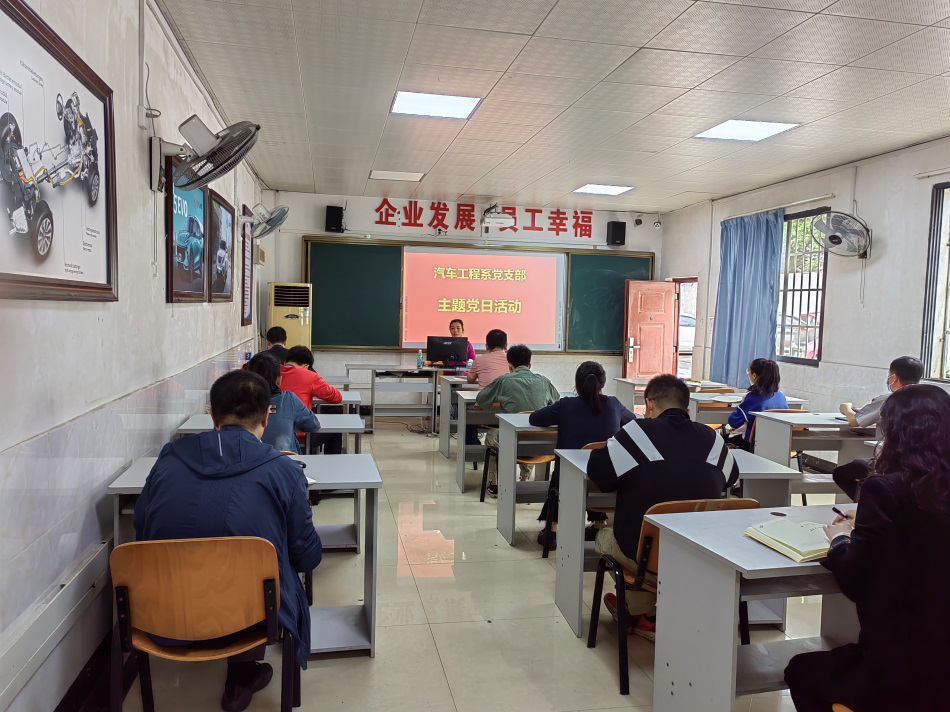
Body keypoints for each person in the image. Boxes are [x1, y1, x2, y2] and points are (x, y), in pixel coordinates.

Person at [133, 370, 322, 711]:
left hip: (162, 613)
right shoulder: (285, 471)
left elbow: (141, 527)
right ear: (267, 416)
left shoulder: (169, 458)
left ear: (212, 416)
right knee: (269, 572)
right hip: (252, 617)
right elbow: (307, 556)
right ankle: (242, 672)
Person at [785, 384, 950, 712]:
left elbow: (855, 581)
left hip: (898, 668)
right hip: (942, 663)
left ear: (896, 433)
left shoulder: (885, 489)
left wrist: (840, 539)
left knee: (800, 670)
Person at [587, 374, 739, 640]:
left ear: (649, 404)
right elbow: (731, 478)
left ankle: (640, 610)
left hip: (647, 556)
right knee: (655, 541)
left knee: (607, 537)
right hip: (700, 553)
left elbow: (599, 474)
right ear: (687, 407)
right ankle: (648, 612)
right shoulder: (713, 439)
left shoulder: (637, 432)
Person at [530, 361, 635, 547]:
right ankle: (600, 522)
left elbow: (535, 418)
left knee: (563, 472)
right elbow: (632, 421)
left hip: (568, 480)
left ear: (577, 383)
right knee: (595, 465)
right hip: (607, 482)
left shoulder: (566, 405)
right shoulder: (614, 404)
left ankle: (552, 528)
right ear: (602, 383)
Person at [475, 344, 560, 497]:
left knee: (492, 436)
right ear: (529, 365)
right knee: (529, 431)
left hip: (510, 443)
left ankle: (494, 484)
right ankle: (525, 478)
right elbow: (556, 403)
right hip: (541, 444)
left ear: (509, 366)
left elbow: (481, 399)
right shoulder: (544, 381)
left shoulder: (503, 381)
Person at [834, 356, 923, 500]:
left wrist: (847, 408)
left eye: (889, 375)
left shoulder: (889, 399)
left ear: (894, 377)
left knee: (841, 474)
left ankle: (869, 505)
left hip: (893, 463)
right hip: (924, 465)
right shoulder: (929, 400)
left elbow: (854, 422)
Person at [247, 354, 338, 455]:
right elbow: (313, 425)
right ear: (279, 380)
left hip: (250, 460)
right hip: (287, 459)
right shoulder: (288, 399)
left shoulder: (240, 403)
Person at [725, 358, 788, 450]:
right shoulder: (781, 396)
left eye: (749, 372)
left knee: (723, 439)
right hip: (777, 444)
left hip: (754, 445)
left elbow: (733, 421)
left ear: (754, 376)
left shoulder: (752, 397)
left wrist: (738, 428)